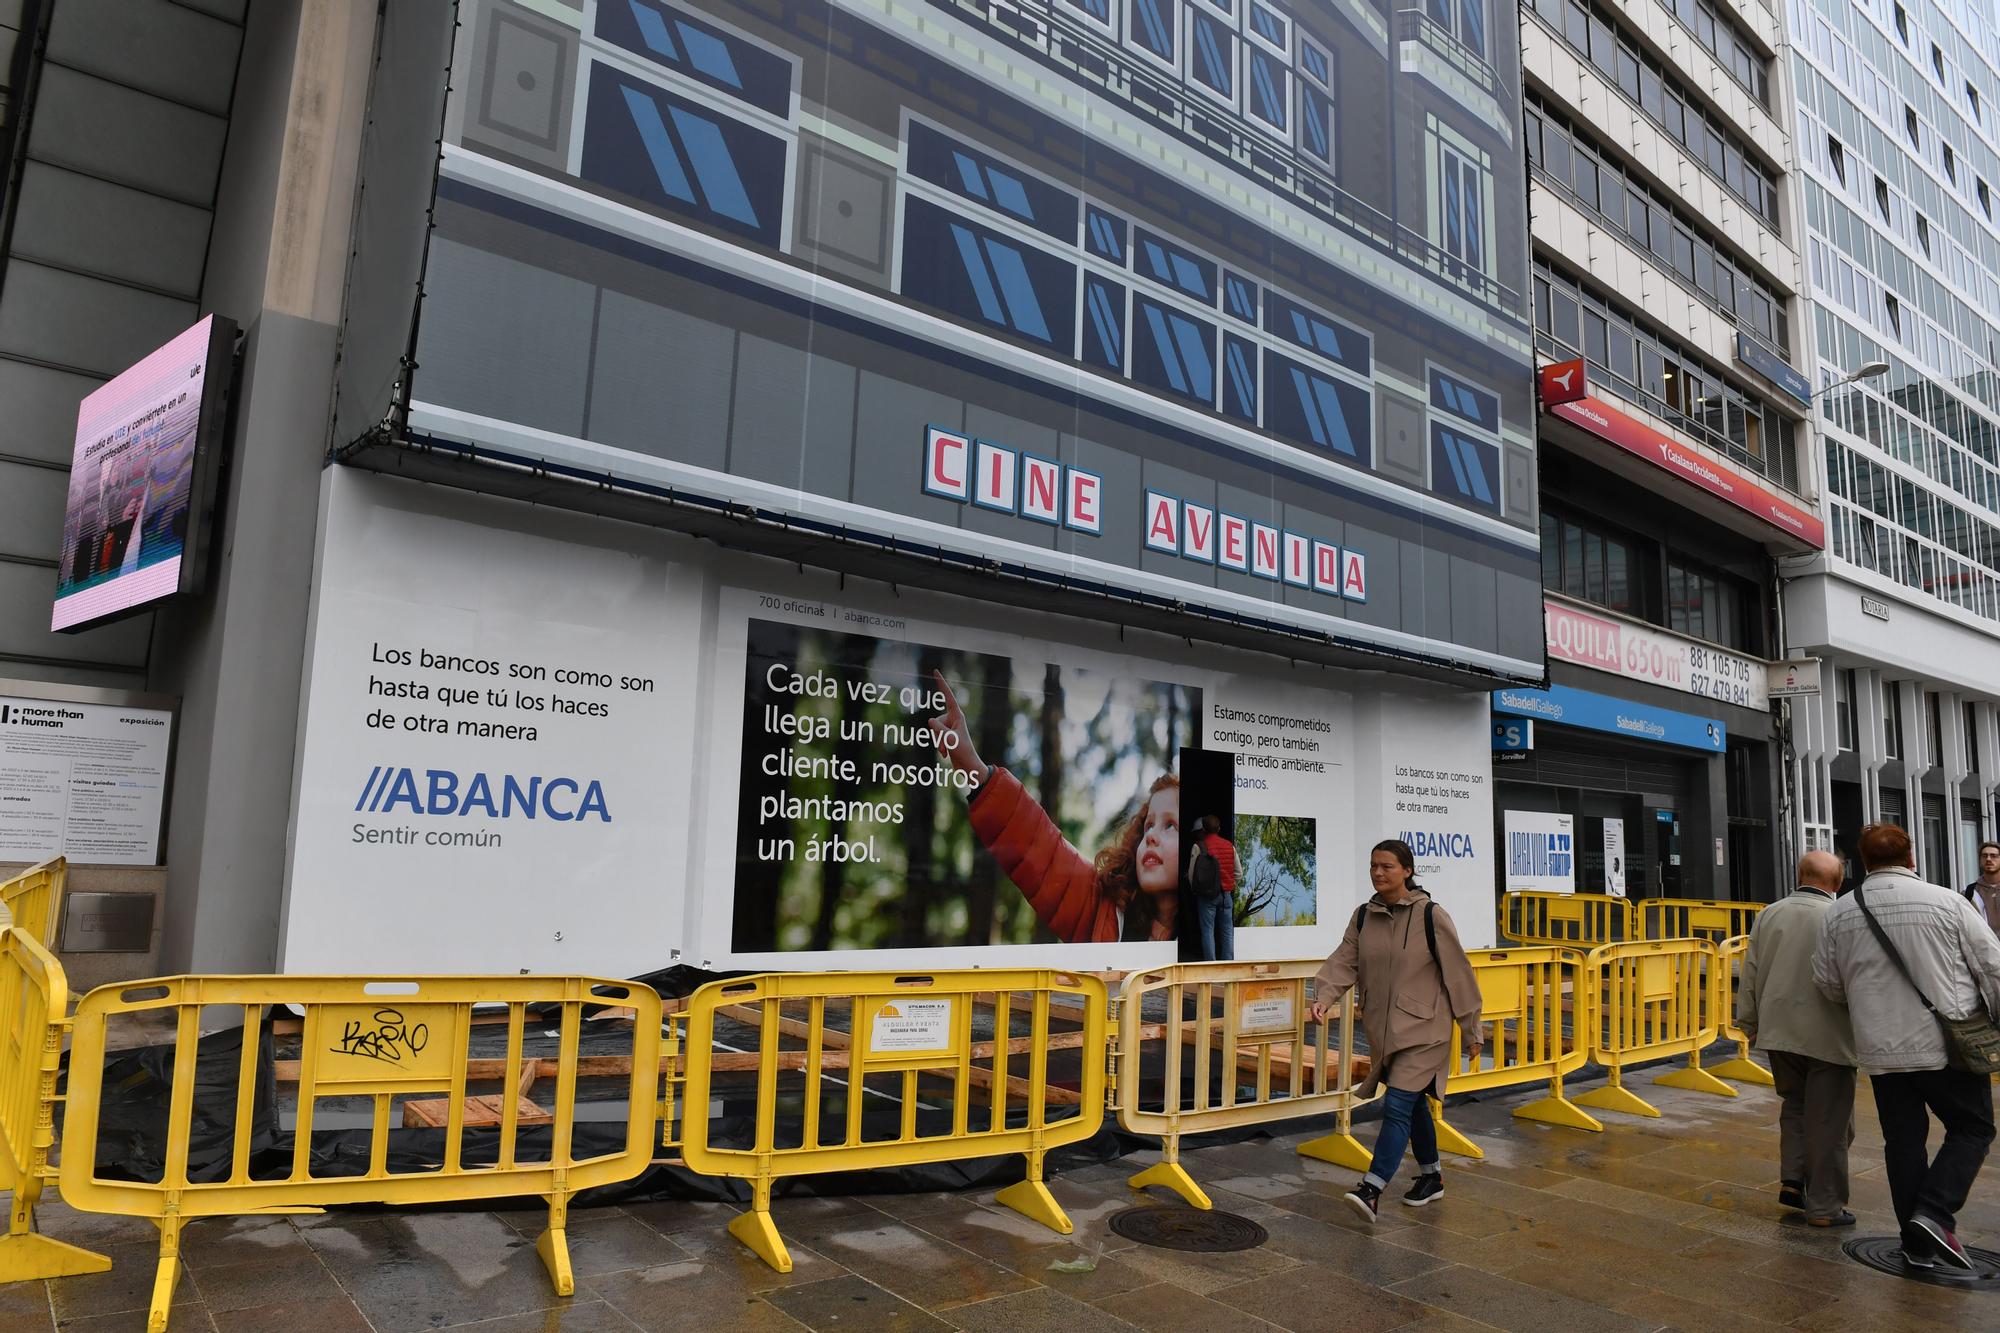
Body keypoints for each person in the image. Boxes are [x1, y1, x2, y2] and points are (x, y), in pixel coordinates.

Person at [1814, 822, 2000, 1270]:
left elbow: (1827, 982)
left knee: (1903, 1142)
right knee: (1974, 1129)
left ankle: (1916, 1248)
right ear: (1911, 857)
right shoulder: (1948, 901)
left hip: (1881, 1050)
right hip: (1946, 1046)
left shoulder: (1839, 912)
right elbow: (1992, 967)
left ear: (1862, 861)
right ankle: (1934, 1212)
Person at [928, 672, 1178, 943]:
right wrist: (974, 768)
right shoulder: (1102, 909)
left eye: (1170, 826)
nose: (1151, 835)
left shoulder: (1220, 938)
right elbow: (1039, 848)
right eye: (1148, 825)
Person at [1307, 840, 1482, 1222]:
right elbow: (1344, 961)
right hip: (1385, 1032)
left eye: (1387, 866)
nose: (1378, 872)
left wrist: (1472, 1030)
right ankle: (1432, 1176)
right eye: (1373, 866)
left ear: (1407, 870)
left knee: (1398, 1104)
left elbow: (1459, 974)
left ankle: (1372, 1188)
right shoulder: (1363, 916)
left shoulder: (1431, 916)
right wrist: (1324, 996)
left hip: (1427, 1031)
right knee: (1414, 1102)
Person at [1736, 850, 1856, 1227]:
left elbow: (1750, 970)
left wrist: (1749, 1021)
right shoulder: (1839, 916)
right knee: (1833, 1121)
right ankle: (1824, 1206)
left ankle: (1793, 1180)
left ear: (1799, 875)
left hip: (1778, 1029)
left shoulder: (1769, 912)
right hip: (1828, 1033)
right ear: (1837, 884)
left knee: (1796, 1106)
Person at [1188, 815, 1237, 961]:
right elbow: (1239, 873)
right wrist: (1227, 882)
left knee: (1208, 931)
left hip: (1206, 896)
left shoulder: (1199, 846)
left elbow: (1192, 875)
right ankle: (1228, 965)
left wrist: (1196, 890)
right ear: (1219, 828)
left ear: (1203, 829)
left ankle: (1211, 966)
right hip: (1226, 895)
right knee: (1227, 931)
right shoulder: (1230, 846)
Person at [1965, 841, 2000, 936]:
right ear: (1980, 860)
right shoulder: (1970, 892)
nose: (1988, 859)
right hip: (1984, 948)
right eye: (1984, 856)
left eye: (1994, 856)